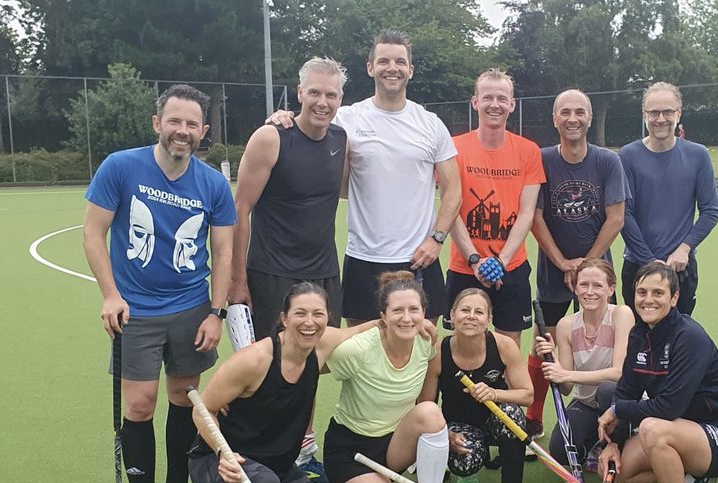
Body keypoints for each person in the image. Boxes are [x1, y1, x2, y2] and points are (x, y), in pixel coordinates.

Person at [82, 83, 235, 483]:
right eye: (175, 121)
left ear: (203, 131)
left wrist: (216, 312)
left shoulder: (211, 183)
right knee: (141, 406)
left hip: (191, 308)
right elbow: (93, 232)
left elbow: (225, 250)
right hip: (137, 311)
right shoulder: (121, 166)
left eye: (192, 124)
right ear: (158, 123)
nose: (182, 132)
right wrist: (110, 295)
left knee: (184, 398)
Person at [268, 30, 461, 327]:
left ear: (410, 69)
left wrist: (437, 239)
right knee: (358, 355)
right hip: (363, 257)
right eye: (383, 60)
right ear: (370, 68)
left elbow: (453, 191)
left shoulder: (431, 124)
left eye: (400, 61)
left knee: (423, 357)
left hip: (419, 258)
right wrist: (283, 119)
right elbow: (310, 124)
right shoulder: (347, 118)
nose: (392, 67)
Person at [230, 57, 349, 483]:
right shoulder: (270, 137)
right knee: (269, 370)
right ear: (298, 93)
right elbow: (239, 210)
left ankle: (302, 452)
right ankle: (258, 454)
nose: (322, 101)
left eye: (331, 94)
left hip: (322, 273)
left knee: (311, 366)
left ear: (340, 99)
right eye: (314, 92)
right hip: (272, 274)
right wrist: (237, 281)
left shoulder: (341, 140)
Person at [188, 283, 343, 483]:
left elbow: (364, 330)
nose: (309, 322)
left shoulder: (320, 347)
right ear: (284, 317)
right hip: (221, 462)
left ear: (327, 317)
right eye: (300, 313)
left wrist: (411, 321)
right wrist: (224, 454)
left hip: (280, 465)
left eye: (318, 314)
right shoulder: (254, 360)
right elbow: (202, 410)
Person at [596, 263, 718, 483]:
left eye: (658, 292)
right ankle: (691, 480)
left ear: (674, 297)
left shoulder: (689, 337)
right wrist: (612, 444)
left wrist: (616, 410)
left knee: (653, 428)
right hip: (679, 428)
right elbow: (625, 389)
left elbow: (668, 407)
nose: (648, 299)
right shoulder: (639, 334)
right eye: (641, 292)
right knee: (619, 471)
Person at [322, 272, 459, 483]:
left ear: (423, 314)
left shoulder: (425, 343)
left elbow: (426, 403)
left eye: (413, 310)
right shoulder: (358, 350)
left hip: (394, 445)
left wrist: (441, 436)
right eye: (397, 310)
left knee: (430, 413)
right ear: (382, 316)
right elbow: (311, 361)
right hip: (352, 451)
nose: (406, 318)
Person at [527, 88, 627, 436]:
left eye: (580, 112)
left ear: (589, 117)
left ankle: (611, 418)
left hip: (596, 273)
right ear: (555, 119)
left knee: (609, 343)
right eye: (565, 112)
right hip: (553, 272)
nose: (573, 119)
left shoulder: (607, 161)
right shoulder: (541, 159)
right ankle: (535, 418)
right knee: (546, 344)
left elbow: (616, 218)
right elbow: (535, 217)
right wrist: (562, 262)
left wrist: (585, 265)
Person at [420, 288, 534, 483]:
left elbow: (527, 395)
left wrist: (495, 393)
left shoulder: (503, 346)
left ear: (489, 320)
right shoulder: (438, 353)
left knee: (511, 415)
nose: (471, 316)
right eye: (465, 310)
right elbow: (425, 405)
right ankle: (469, 472)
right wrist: (445, 436)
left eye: (479, 312)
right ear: (452, 315)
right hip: (460, 426)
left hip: (496, 420)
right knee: (465, 462)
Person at [446, 68, 545, 347]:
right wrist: (475, 260)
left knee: (508, 345)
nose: (495, 104)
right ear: (475, 102)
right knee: (463, 343)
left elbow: (527, 213)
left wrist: (501, 262)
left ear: (512, 105)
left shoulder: (529, 151)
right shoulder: (454, 148)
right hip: (465, 267)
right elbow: (450, 210)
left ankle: (504, 394)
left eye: (502, 98)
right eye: (487, 97)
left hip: (512, 265)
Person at [532, 259, 635, 483]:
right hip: (586, 402)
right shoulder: (568, 325)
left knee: (607, 390)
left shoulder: (621, 314)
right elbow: (566, 387)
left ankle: (621, 453)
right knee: (559, 449)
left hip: (620, 402)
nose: (590, 291)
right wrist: (553, 361)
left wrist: (567, 375)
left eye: (597, 285)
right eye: (584, 285)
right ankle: (595, 447)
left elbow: (618, 374)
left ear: (611, 289)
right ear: (575, 288)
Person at [619, 82, 718, 314]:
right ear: (645, 115)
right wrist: (649, 261)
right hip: (637, 266)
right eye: (653, 112)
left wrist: (684, 249)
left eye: (668, 112)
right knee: (638, 340)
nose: (660, 119)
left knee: (680, 341)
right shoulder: (627, 156)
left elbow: (710, 210)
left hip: (680, 268)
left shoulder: (698, 155)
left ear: (679, 114)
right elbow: (624, 213)